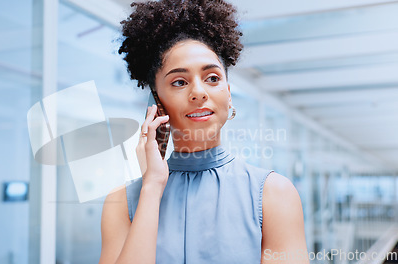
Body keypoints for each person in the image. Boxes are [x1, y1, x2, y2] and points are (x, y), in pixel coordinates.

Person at [99, 0, 309, 263]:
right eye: (179, 81)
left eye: (212, 78)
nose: (199, 92)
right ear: (157, 102)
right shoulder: (122, 202)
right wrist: (151, 188)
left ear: (228, 96)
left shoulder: (274, 193)